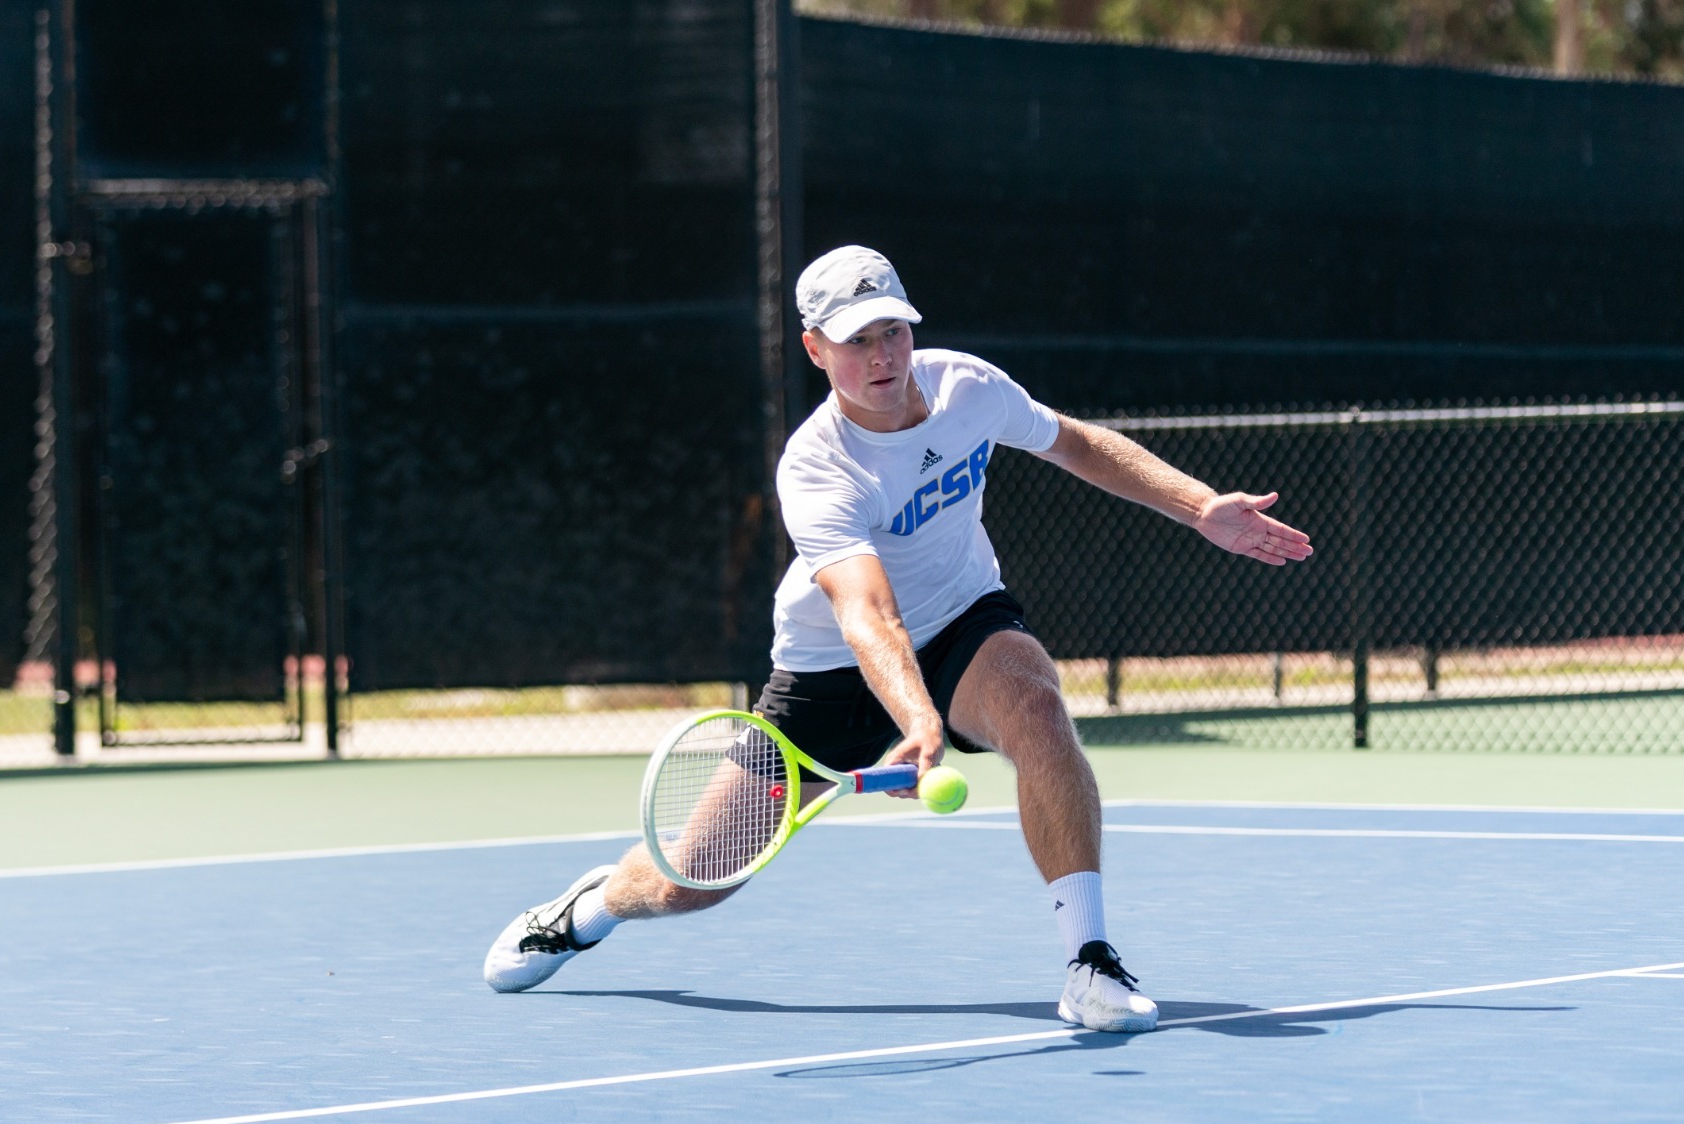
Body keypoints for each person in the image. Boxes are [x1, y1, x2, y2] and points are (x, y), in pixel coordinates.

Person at [483, 245, 1312, 1032]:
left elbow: (1076, 443)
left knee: (1035, 702)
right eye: (856, 341)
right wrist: (917, 719)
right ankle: (586, 908)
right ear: (815, 349)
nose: (883, 354)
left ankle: (1090, 963)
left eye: (893, 330)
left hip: (962, 616)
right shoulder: (816, 466)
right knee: (691, 880)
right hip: (829, 668)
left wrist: (1200, 506)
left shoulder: (966, 388)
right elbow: (867, 614)